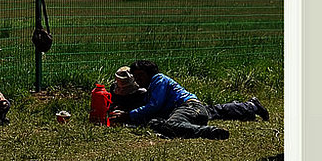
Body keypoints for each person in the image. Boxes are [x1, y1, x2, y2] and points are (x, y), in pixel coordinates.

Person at [109, 59, 270, 139]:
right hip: (194, 107)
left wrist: (128, 115)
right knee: (217, 110)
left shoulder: (158, 79)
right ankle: (250, 107)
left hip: (187, 107)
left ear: (149, 73)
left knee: (170, 125)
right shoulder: (151, 86)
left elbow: (153, 106)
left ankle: (210, 132)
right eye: (136, 77)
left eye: (140, 76)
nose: (138, 80)